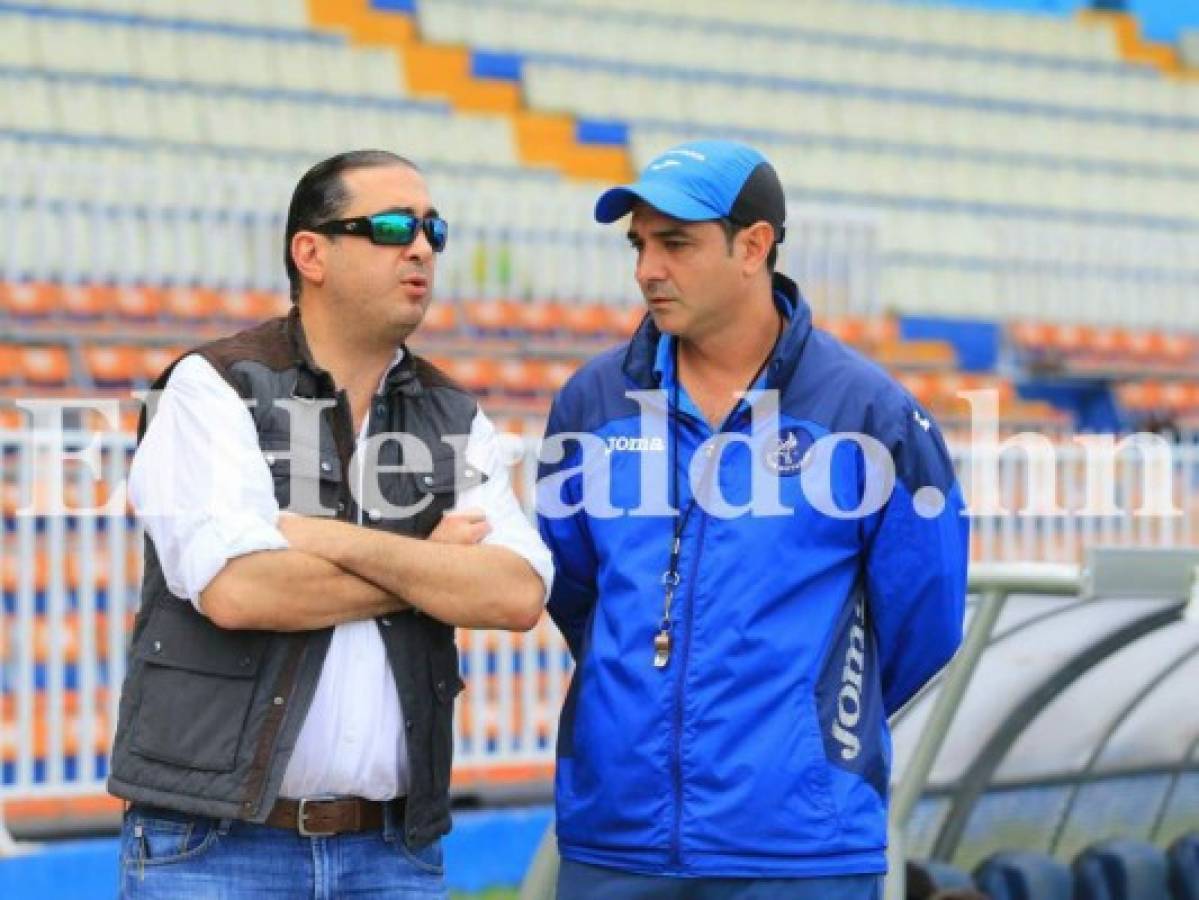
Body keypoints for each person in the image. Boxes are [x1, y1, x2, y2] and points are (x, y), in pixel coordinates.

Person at [108, 149, 553, 899]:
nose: (418, 247)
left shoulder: (451, 413)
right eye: (386, 227)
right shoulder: (211, 387)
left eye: (431, 230)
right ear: (309, 252)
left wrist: (323, 538)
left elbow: (513, 594)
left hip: (390, 852)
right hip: (214, 847)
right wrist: (427, 570)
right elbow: (240, 591)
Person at [537, 140, 969, 898]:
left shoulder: (868, 414)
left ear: (754, 246)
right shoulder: (591, 402)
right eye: (638, 245)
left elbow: (925, 619)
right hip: (615, 842)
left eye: (675, 243)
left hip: (798, 851)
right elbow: (571, 590)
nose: (646, 270)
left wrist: (804, 737)